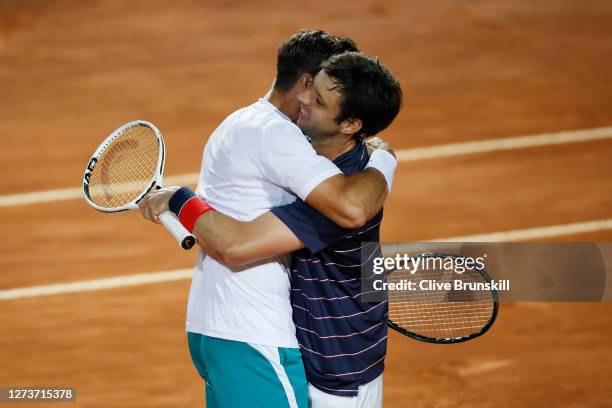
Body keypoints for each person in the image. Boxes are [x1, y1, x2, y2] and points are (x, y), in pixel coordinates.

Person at [140, 51, 402, 407]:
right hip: (326, 350)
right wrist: (385, 156)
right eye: (311, 87)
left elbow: (233, 244)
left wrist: (178, 199)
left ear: (350, 124)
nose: (304, 98)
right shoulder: (328, 161)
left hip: (338, 376)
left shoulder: (340, 198)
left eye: (319, 100)